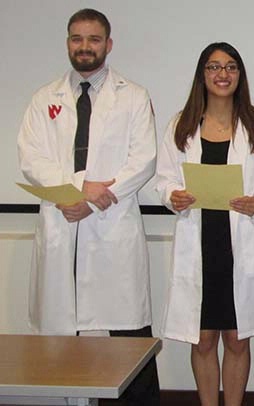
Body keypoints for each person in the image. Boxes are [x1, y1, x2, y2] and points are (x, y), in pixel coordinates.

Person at [16, 8, 159, 405]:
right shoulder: (45, 99)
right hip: (63, 226)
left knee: (127, 339)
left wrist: (91, 202)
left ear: (108, 45)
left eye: (94, 39)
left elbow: (142, 160)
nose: (85, 47)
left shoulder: (133, 96)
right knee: (65, 341)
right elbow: (31, 159)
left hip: (111, 227)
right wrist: (79, 189)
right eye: (77, 39)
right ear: (67, 43)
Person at [155, 42, 254, 406]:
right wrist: (173, 196)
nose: (222, 74)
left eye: (230, 67)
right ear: (202, 75)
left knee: (237, 338)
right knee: (203, 339)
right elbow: (163, 179)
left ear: (240, 75)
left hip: (240, 245)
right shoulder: (181, 124)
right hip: (201, 243)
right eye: (214, 67)